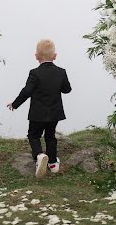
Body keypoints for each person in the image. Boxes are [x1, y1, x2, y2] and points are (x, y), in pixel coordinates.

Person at [7, 39, 72, 178]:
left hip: (37, 113)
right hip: (54, 112)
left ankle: (39, 155)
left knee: (34, 135)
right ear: (55, 56)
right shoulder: (61, 72)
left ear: (36, 56)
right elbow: (67, 90)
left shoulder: (34, 73)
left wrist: (15, 104)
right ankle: (53, 164)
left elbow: (26, 91)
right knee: (50, 136)